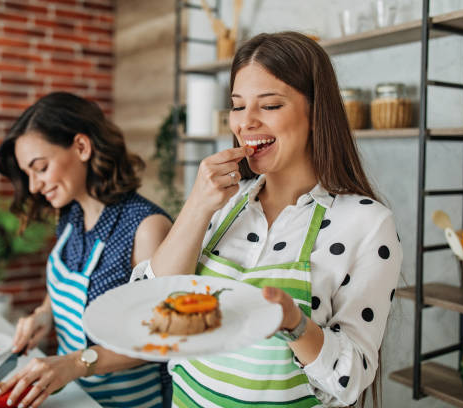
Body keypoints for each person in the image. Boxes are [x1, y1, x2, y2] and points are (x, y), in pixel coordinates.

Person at [135, 32, 402, 407]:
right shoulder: (223, 206)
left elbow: (352, 377)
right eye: (238, 106)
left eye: (270, 105)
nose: (246, 122)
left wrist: (295, 325)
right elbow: (148, 310)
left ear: (315, 113)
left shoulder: (367, 224)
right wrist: (197, 205)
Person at [0, 92, 173, 408]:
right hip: (77, 397)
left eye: (40, 167)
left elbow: (160, 338)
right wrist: (44, 314)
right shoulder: (70, 216)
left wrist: (75, 364)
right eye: (27, 174)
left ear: (81, 147)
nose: (33, 186)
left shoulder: (146, 226)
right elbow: (66, 285)